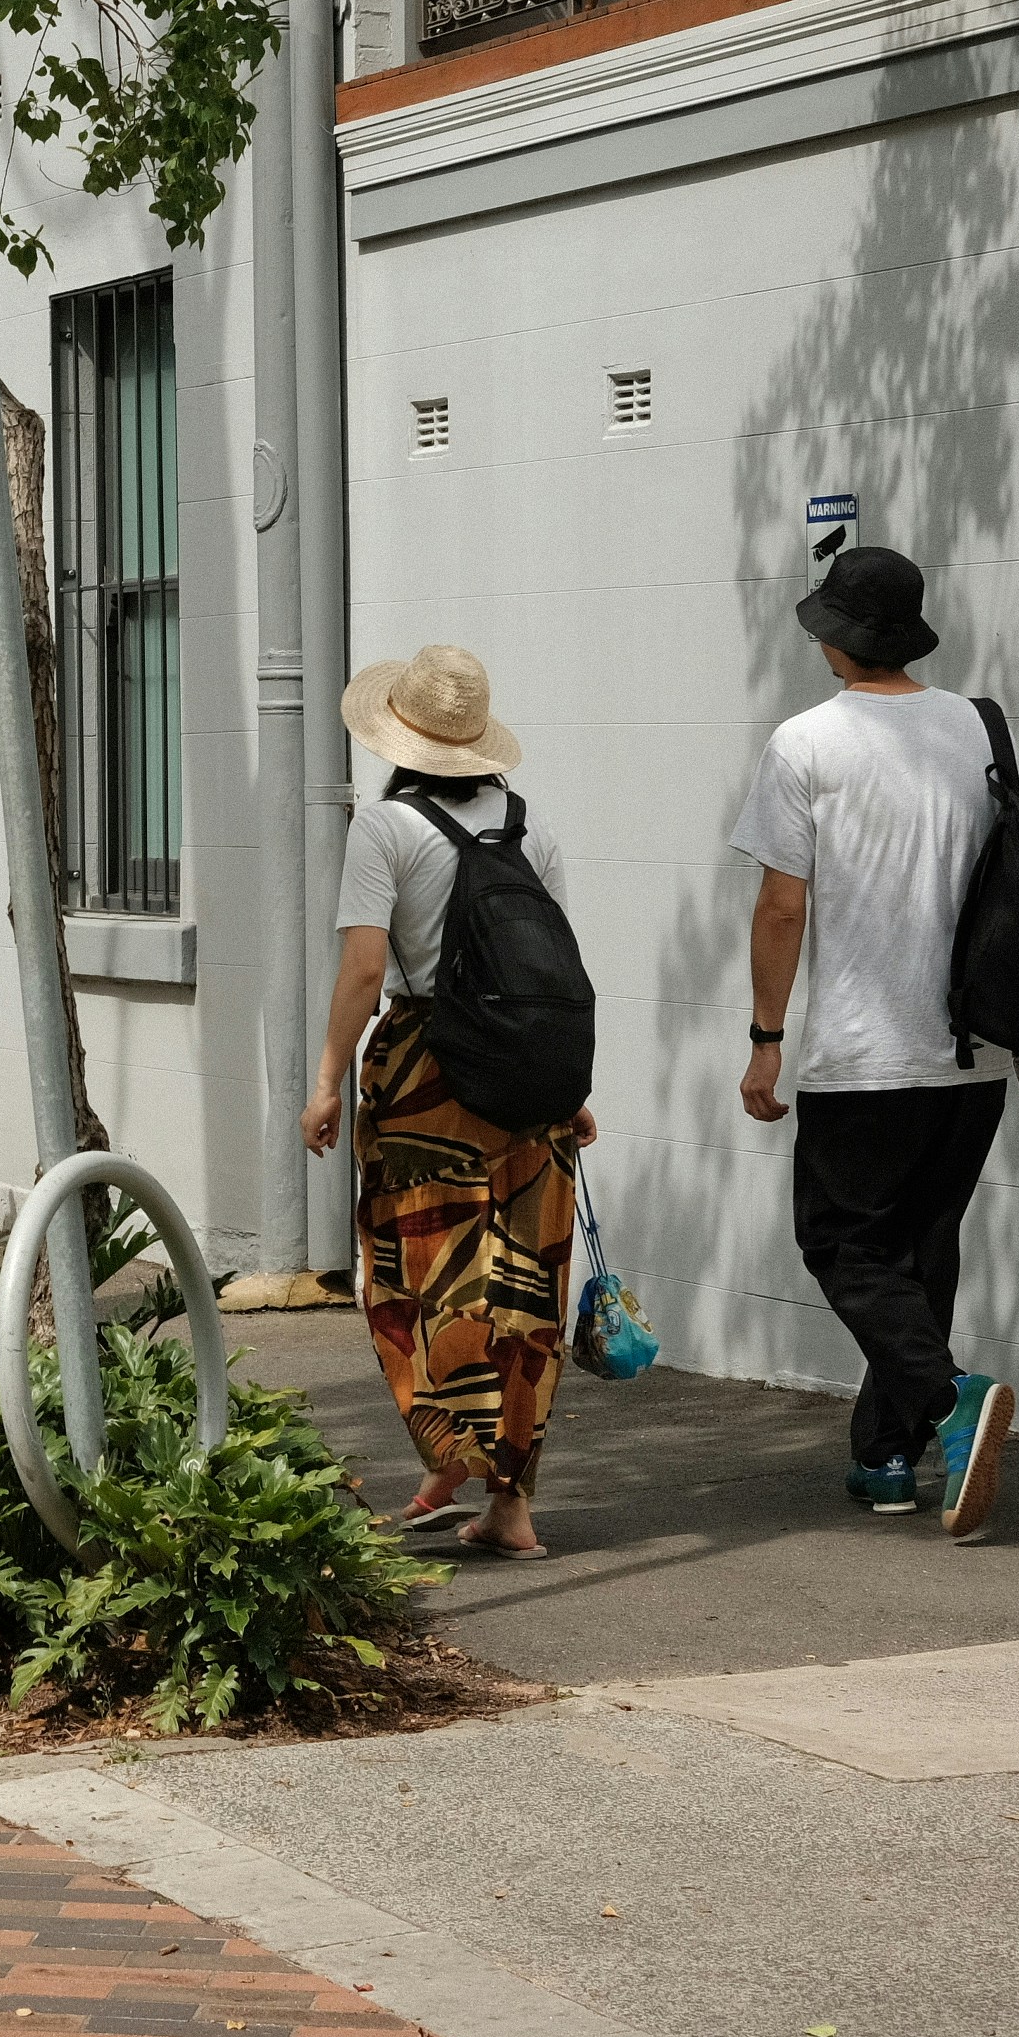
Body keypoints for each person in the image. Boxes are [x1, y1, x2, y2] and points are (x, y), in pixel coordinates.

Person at [731, 544, 1019, 1540]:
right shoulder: (975, 726)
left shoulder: (804, 743)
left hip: (868, 1054)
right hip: (975, 1050)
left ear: (834, 635)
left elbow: (782, 909)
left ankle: (951, 1397)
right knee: (918, 1251)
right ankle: (886, 1458)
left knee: (838, 1243)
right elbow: (1017, 881)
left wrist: (764, 1038)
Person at [297, 646, 594, 1561]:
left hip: (427, 1077)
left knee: (415, 1274)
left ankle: (449, 1446)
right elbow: (553, 972)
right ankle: (511, 1504)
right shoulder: (530, 828)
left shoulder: (385, 828)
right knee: (524, 1290)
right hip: (530, 1085)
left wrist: (327, 1079)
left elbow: (364, 968)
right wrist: (573, 1092)